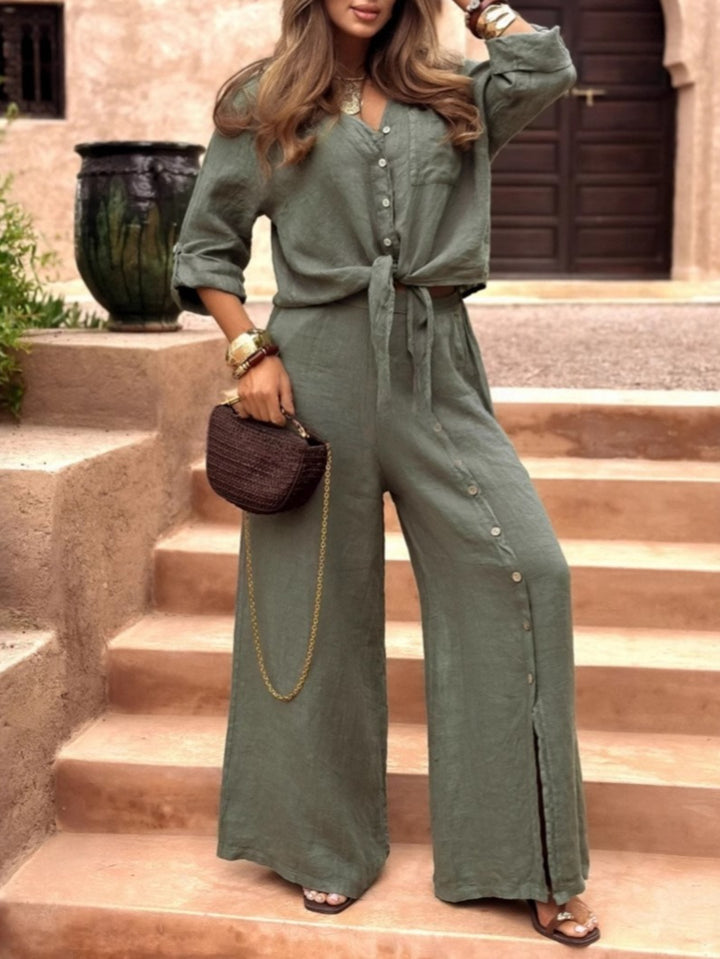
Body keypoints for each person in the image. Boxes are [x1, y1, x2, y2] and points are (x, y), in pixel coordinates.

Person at [172, 0, 601, 947]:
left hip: (435, 359)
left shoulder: (453, 92)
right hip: (313, 367)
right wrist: (251, 353)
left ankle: (528, 857)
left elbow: (544, 67)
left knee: (526, 572)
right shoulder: (264, 99)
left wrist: (476, 5)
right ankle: (320, 843)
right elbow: (206, 248)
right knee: (314, 610)